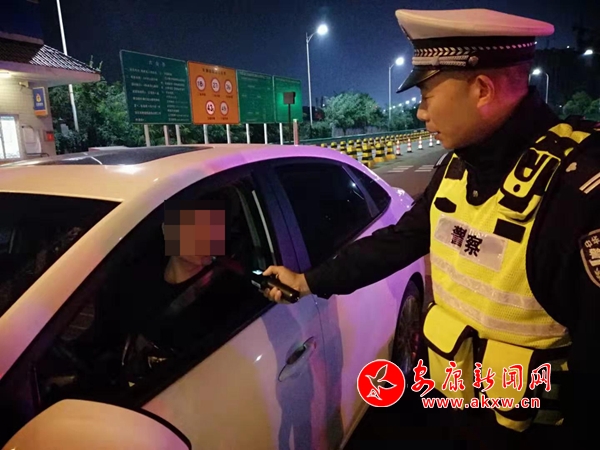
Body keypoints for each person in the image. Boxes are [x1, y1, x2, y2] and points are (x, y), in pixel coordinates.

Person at [262, 7, 600, 448]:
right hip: (456, 411)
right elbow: (399, 240)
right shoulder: (457, 168)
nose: (421, 112)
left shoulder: (577, 194)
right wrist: (308, 280)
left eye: (426, 93)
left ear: (481, 90)